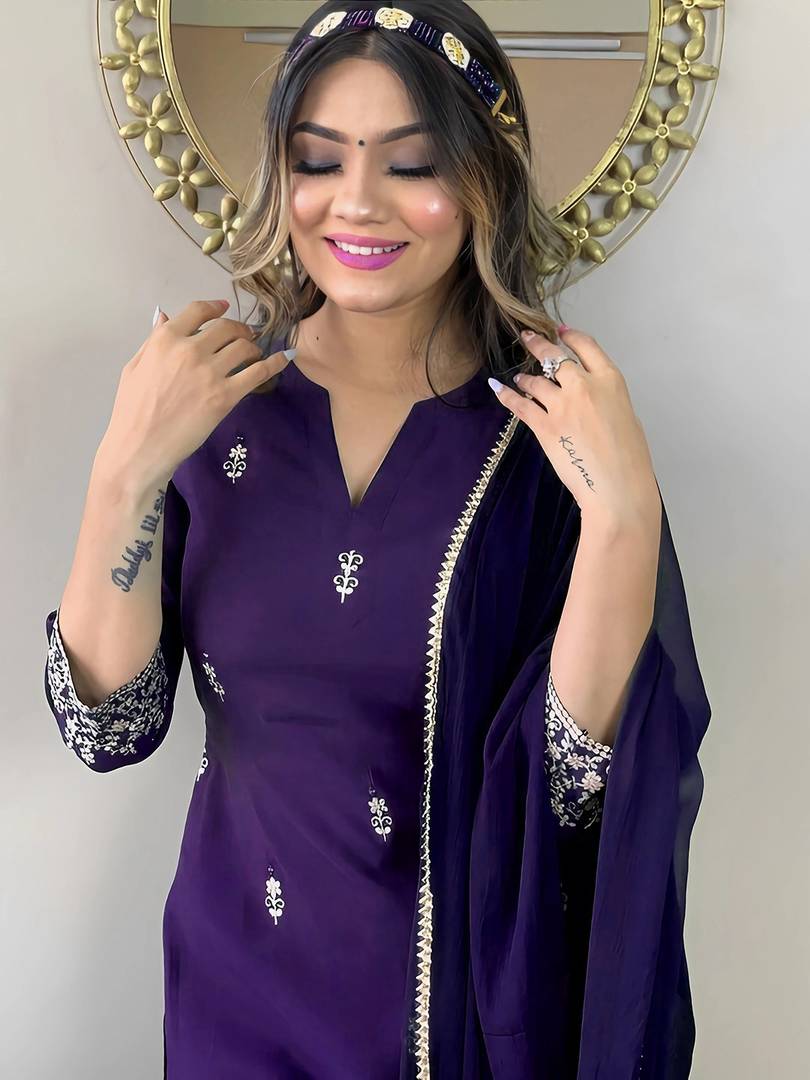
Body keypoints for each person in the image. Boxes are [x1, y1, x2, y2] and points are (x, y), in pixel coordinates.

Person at [43, 3, 711, 1078]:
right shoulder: (216, 409)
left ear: (484, 179)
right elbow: (107, 725)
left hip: (461, 1026)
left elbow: (576, 790)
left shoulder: (544, 439)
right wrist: (125, 471)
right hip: (233, 1005)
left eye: (411, 165)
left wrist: (623, 519)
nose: (355, 201)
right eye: (317, 160)